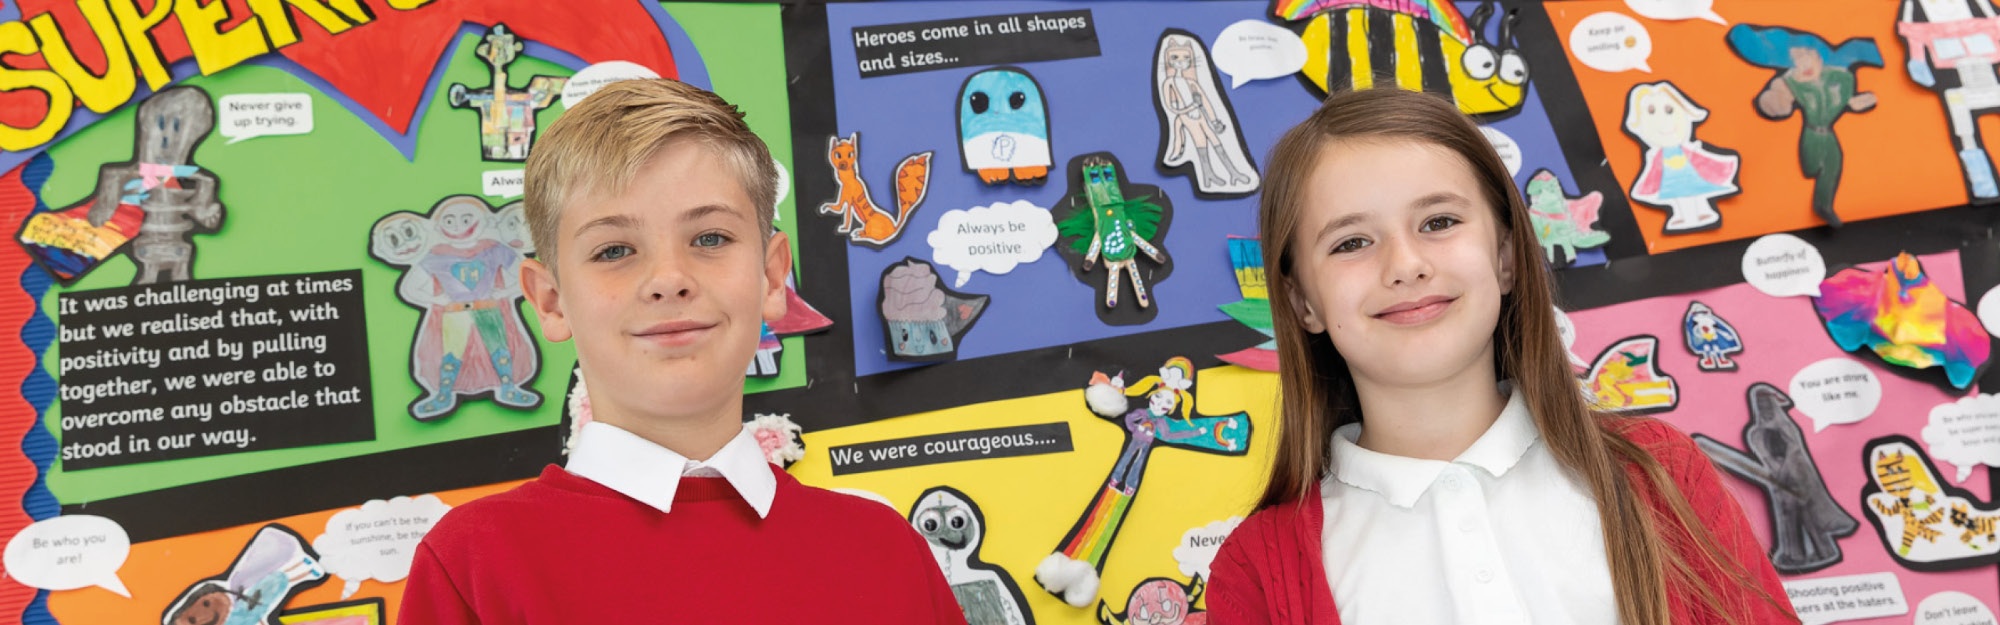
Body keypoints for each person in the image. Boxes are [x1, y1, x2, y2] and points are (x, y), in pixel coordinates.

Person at [1207, 88, 1798, 625]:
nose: (1406, 265)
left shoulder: (1660, 474)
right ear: (1302, 300)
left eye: (1439, 221)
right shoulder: (1257, 568)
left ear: (1507, 258)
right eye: (1352, 242)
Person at [398, 79, 966, 624]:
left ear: (772, 278)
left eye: (710, 239)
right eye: (615, 249)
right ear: (550, 302)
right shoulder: (474, 565)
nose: (668, 279)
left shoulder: (886, 549)